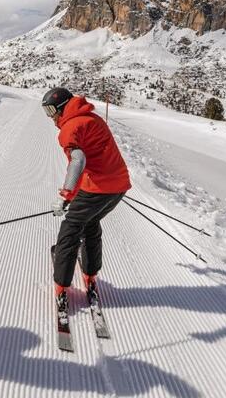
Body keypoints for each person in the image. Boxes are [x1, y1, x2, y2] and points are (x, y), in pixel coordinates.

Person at [41, 87, 130, 311]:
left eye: (51, 110)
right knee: (90, 222)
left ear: (62, 108)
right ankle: (90, 275)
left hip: (98, 188)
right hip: (118, 186)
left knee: (70, 229)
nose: (50, 117)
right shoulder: (92, 118)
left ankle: (62, 286)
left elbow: (78, 161)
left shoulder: (69, 128)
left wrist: (65, 195)